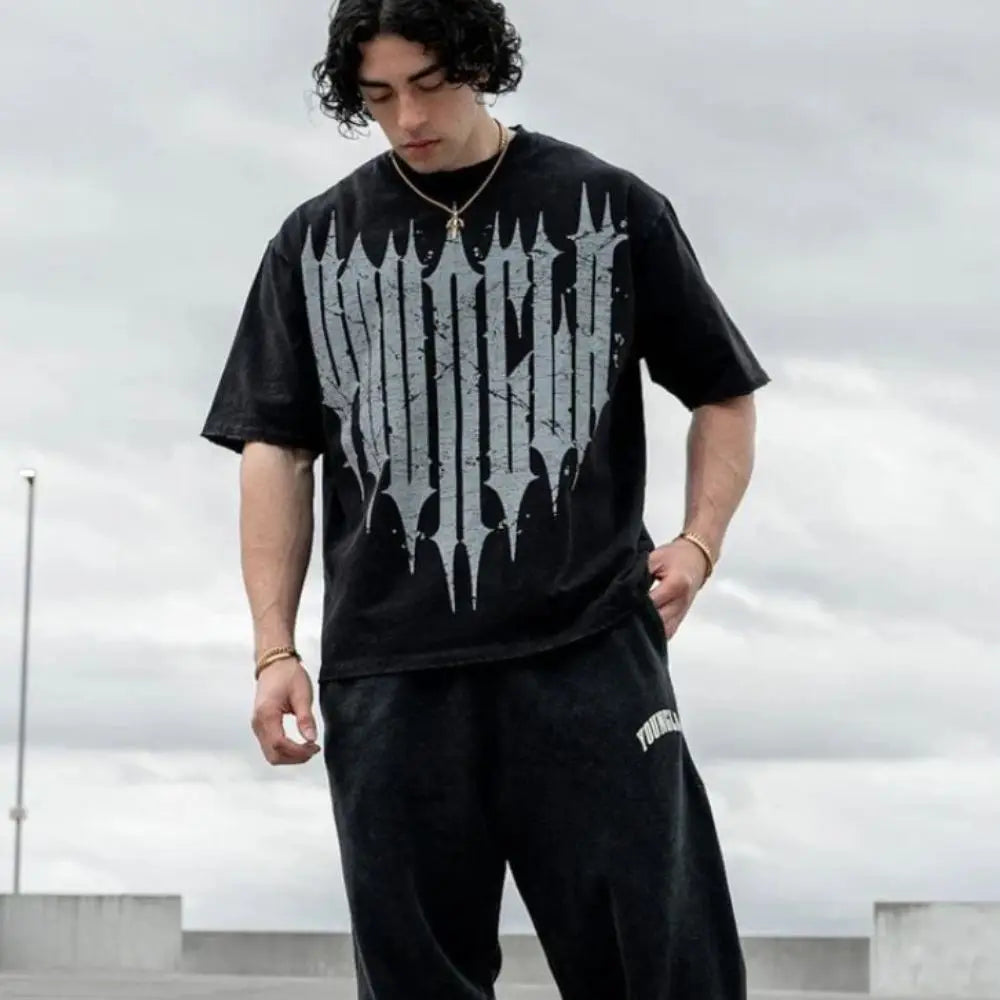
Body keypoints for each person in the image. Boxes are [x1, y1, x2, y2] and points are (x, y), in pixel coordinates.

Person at [201, 1, 770, 996]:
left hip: (589, 652)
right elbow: (276, 449)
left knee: (666, 967)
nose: (408, 117)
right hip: (392, 673)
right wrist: (273, 649)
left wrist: (700, 541)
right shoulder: (312, 242)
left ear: (481, 65)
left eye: (429, 84)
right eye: (379, 96)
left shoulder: (609, 207)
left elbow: (721, 390)